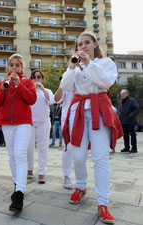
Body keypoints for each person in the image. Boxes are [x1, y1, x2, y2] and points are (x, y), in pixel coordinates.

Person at [61, 32, 123, 224]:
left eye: (87, 42)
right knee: (77, 155)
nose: (83, 46)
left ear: (95, 43)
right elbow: (65, 85)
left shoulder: (106, 63)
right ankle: (80, 186)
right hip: (78, 110)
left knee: (100, 156)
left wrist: (88, 63)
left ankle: (103, 202)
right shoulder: (75, 65)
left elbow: (105, 81)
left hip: (99, 109)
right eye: (80, 44)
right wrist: (72, 67)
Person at [0, 54, 36, 212]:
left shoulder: (27, 81)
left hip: (23, 122)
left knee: (19, 154)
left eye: (17, 65)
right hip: (7, 123)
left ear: (21, 68)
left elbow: (31, 99)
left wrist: (19, 85)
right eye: (11, 65)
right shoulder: (2, 83)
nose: (14, 68)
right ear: (7, 67)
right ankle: (17, 185)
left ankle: (20, 193)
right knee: (11, 156)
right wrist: (3, 89)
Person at [27, 69, 53, 184]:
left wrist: (42, 89)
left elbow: (51, 101)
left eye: (38, 77)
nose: (36, 79)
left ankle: (42, 172)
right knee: (29, 147)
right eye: (34, 77)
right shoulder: (28, 90)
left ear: (42, 78)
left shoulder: (47, 90)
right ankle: (29, 168)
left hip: (43, 122)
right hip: (30, 123)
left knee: (43, 148)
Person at [54, 87, 74, 189]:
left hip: (84, 116)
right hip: (68, 117)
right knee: (68, 147)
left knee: (81, 149)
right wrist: (62, 84)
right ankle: (67, 176)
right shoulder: (67, 83)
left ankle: (81, 180)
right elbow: (56, 99)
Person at [118, 89, 140, 153]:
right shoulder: (121, 101)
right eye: (121, 94)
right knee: (125, 135)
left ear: (127, 94)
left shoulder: (132, 101)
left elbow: (137, 110)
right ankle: (126, 147)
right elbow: (120, 111)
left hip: (131, 121)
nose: (122, 95)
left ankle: (134, 148)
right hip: (123, 121)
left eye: (124, 93)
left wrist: (130, 115)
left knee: (132, 134)